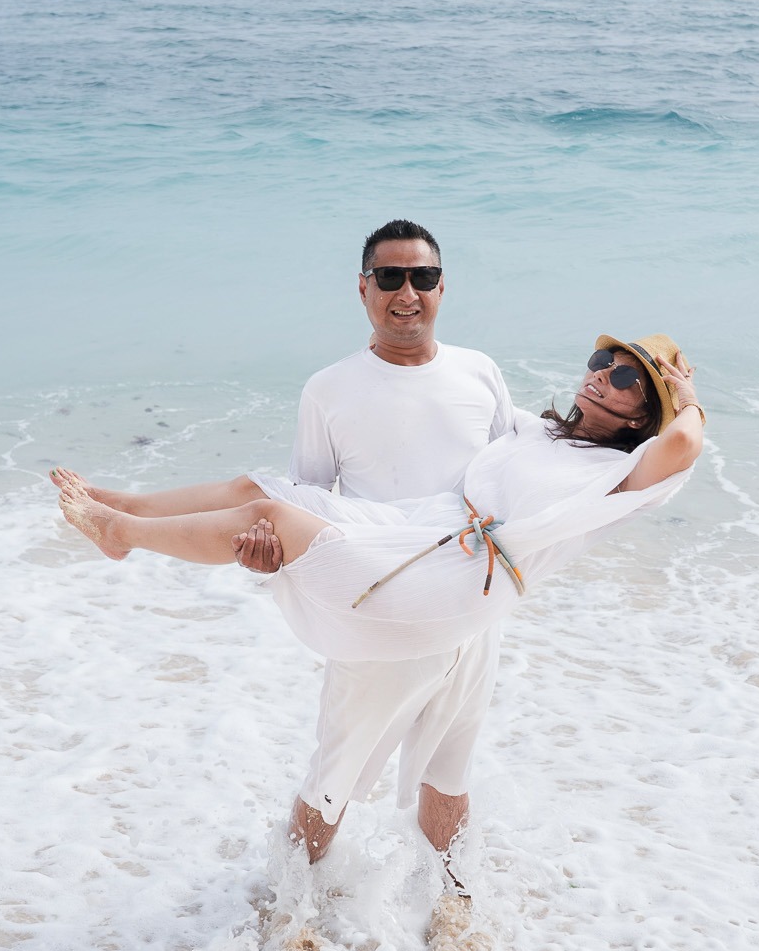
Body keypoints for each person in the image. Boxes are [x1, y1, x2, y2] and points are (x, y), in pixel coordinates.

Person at [53, 332, 706, 883]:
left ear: (642, 415)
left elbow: (685, 447)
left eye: (626, 377)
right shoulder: (536, 431)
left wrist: (687, 395)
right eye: (601, 363)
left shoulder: (622, 474)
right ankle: (125, 506)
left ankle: (122, 535)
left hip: (455, 576)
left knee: (271, 520)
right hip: (419, 530)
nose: (603, 377)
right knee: (262, 490)